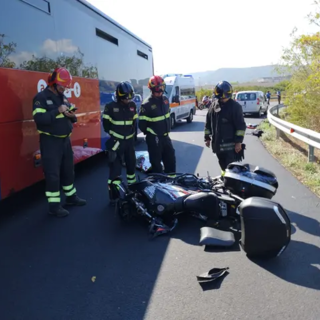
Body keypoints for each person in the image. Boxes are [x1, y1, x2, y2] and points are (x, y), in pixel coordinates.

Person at [32, 67, 86, 217]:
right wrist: (58, 111)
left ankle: (71, 198)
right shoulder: (40, 98)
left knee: (68, 170)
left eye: (66, 86)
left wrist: (71, 115)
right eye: (63, 85)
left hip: (65, 141)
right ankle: (54, 206)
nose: (65, 88)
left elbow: (69, 116)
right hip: (50, 142)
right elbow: (39, 120)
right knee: (53, 175)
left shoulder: (63, 97)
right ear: (54, 83)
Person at [103, 81, 137, 205]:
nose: (127, 100)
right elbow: (106, 126)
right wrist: (115, 137)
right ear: (119, 96)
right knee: (115, 171)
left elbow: (134, 124)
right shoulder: (110, 107)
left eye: (129, 97)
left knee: (131, 167)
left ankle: (133, 192)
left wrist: (132, 138)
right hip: (116, 143)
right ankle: (114, 196)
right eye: (125, 98)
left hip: (129, 142)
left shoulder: (133, 105)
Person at [204, 80, 246, 177]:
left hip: (230, 148)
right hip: (218, 146)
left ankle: (231, 187)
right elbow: (208, 123)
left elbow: (240, 126)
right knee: (223, 168)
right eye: (221, 98)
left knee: (231, 170)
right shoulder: (213, 106)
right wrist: (207, 137)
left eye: (225, 98)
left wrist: (238, 142)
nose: (223, 100)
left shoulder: (235, 107)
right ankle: (225, 181)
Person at [138, 75, 176, 177]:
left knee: (171, 160)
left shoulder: (165, 100)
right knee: (156, 165)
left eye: (161, 90)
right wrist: (151, 133)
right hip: (154, 138)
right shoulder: (146, 104)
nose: (159, 93)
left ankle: (172, 183)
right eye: (157, 91)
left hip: (165, 137)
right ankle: (159, 185)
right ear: (151, 89)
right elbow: (141, 124)